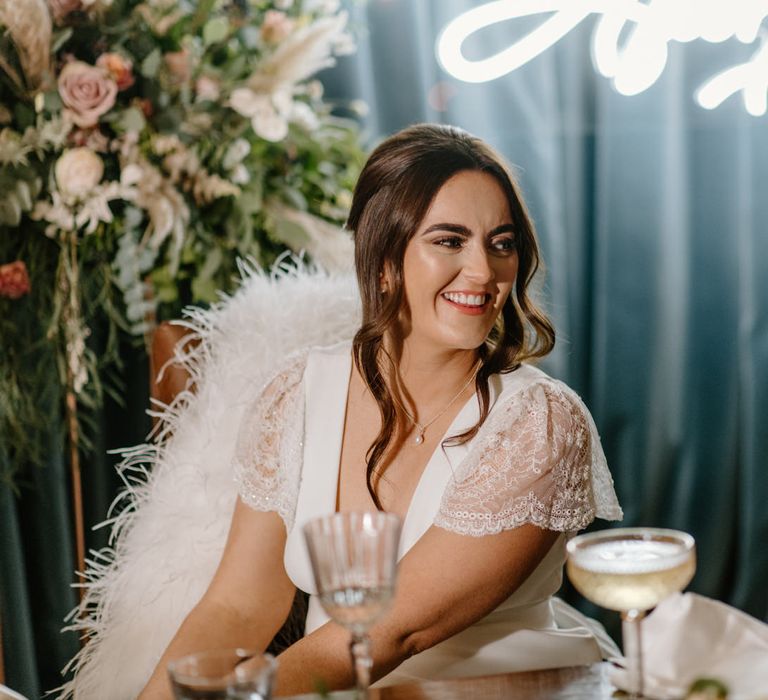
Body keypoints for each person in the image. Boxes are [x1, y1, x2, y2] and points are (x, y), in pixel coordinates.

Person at [138, 123, 622, 698]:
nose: (484, 272)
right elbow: (237, 605)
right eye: (449, 240)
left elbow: (399, 631)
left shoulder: (539, 423)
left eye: (501, 243)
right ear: (385, 257)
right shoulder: (297, 395)